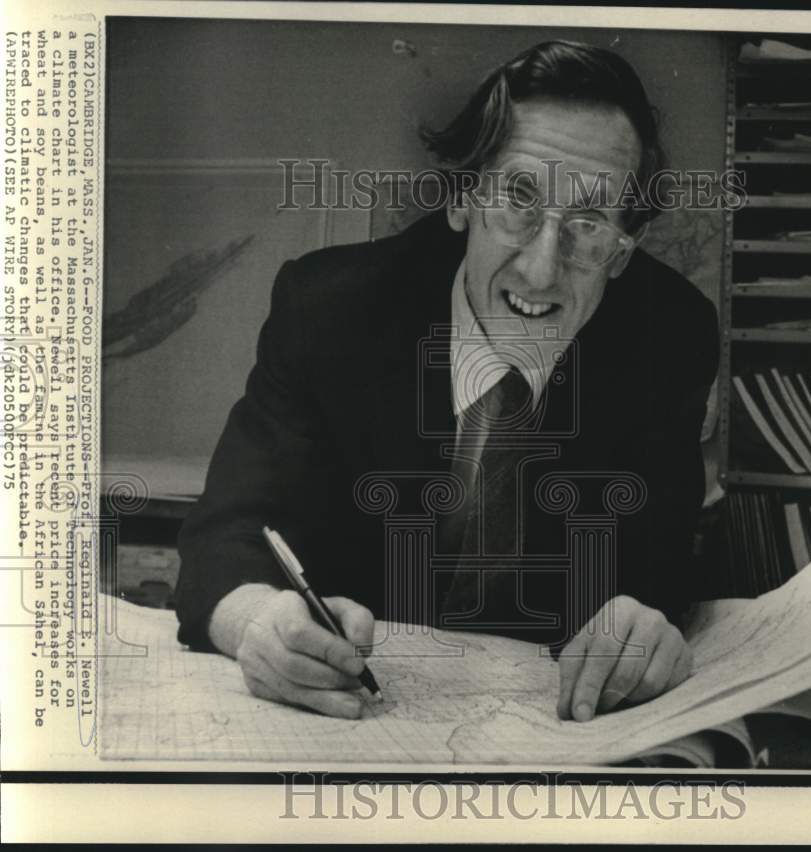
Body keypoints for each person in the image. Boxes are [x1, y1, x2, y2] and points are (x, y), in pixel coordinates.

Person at [175, 40, 719, 725]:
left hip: (548, 737)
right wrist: (257, 625)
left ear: (621, 251)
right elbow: (224, 536)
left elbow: (657, 563)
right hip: (347, 719)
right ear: (462, 199)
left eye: (588, 223)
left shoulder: (669, 335)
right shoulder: (331, 309)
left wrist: (644, 626)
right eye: (517, 201)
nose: (541, 271)